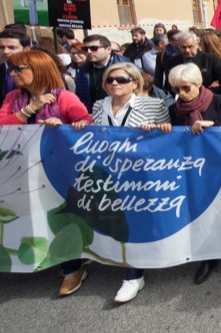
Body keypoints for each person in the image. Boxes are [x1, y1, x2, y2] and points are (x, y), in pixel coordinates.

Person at [0, 49, 92, 296]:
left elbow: (87, 127)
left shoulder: (64, 98)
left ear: (38, 70)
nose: (13, 74)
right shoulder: (13, 98)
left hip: (59, 170)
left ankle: (72, 268)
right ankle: (58, 257)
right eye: (12, 69)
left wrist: (65, 128)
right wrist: (28, 110)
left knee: (61, 216)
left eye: (19, 69)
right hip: (22, 169)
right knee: (36, 215)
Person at [69, 62, 170, 303]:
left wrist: (156, 129)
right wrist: (82, 127)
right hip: (108, 173)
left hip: (140, 174)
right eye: (110, 80)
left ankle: (133, 275)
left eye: (122, 79)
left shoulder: (154, 104)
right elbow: (93, 136)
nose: (115, 83)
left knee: (135, 220)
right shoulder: (96, 106)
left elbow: (168, 137)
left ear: (135, 83)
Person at [168, 62, 221, 285]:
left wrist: (212, 125)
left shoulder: (219, 101)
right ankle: (208, 256)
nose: (181, 94)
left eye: (186, 88)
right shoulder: (174, 109)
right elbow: (171, 137)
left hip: (217, 165)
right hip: (189, 165)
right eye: (177, 89)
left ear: (199, 84)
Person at [155, 31, 221, 96]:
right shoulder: (172, 61)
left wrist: (207, 91)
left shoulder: (210, 59)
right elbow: (169, 84)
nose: (187, 50)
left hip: (206, 100)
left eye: (190, 46)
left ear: (197, 45)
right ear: (178, 46)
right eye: (183, 47)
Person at [74, 34, 130, 112]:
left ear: (108, 49)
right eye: (85, 49)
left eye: (94, 48)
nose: (89, 52)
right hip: (92, 117)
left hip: (120, 116)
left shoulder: (127, 68)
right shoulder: (83, 71)